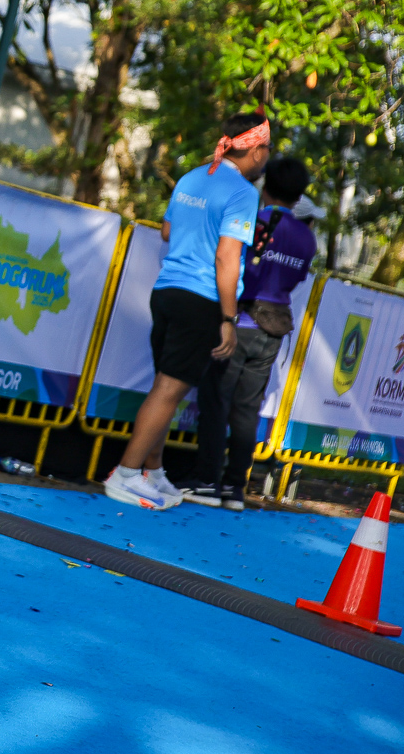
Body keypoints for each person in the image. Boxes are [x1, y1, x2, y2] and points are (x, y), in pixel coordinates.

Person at [103, 112, 272, 510]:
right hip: (200, 298)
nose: (268, 157)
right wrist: (229, 318)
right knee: (169, 389)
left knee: (164, 388)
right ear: (256, 150)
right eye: (267, 148)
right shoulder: (244, 192)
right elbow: (227, 258)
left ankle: (152, 471)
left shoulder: (193, 177)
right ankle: (125, 473)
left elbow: (167, 230)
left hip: (166, 291)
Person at [182, 156, 321, 509]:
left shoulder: (254, 221)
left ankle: (207, 482)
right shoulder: (307, 238)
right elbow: (297, 277)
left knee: (216, 402)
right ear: (300, 195)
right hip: (274, 328)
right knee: (247, 409)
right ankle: (234, 488)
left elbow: (231, 262)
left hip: (239, 321)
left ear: (265, 185)